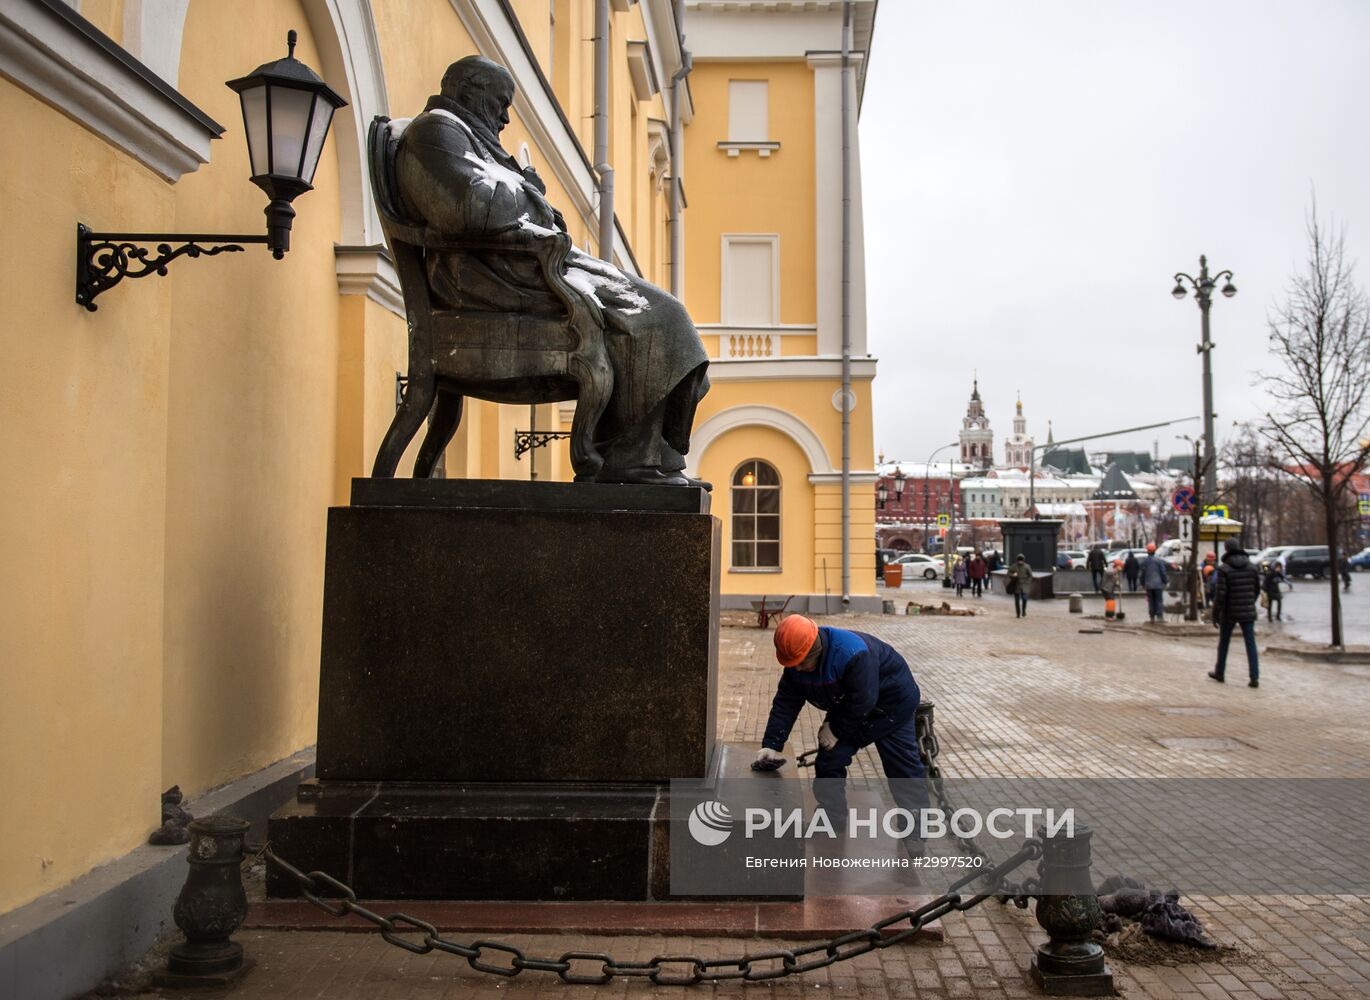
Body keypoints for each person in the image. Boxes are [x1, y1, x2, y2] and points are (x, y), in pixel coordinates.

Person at [396, 56, 710, 486]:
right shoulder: (435, 132)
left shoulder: (467, 138)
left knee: (665, 314)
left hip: (523, 268)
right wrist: (529, 191)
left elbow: (510, 206)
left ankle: (651, 458)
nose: (506, 118)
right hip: (489, 281)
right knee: (659, 318)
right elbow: (468, 208)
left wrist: (526, 193)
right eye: (501, 103)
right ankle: (630, 461)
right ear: (470, 91)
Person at [753, 615, 928, 854]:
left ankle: (916, 832)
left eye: (802, 663)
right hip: (851, 705)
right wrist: (772, 744)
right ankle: (831, 819)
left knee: (903, 769)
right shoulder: (796, 662)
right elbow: (786, 703)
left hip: (892, 707)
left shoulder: (853, 654)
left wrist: (835, 729)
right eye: (792, 664)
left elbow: (863, 701)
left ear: (815, 651)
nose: (797, 669)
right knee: (829, 760)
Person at [1208, 539, 1261, 688]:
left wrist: (1215, 613)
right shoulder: (1252, 568)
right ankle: (1254, 676)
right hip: (1247, 611)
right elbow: (1257, 589)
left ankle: (1220, 672)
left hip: (1229, 612)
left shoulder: (1224, 569)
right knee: (1250, 644)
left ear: (1227, 550)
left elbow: (1220, 595)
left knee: (1224, 643)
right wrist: (1249, 602)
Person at [1138, 542, 1169, 623]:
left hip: (1149, 585)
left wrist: (1142, 583)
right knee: (1159, 600)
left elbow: (1142, 574)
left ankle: (1152, 617)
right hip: (1158, 585)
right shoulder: (1159, 561)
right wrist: (1165, 581)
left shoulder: (1145, 562)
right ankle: (1159, 616)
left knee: (1151, 601)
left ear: (1147, 551)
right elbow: (1163, 572)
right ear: (1155, 551)